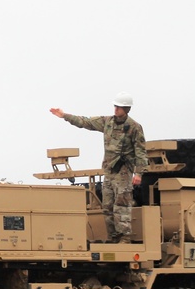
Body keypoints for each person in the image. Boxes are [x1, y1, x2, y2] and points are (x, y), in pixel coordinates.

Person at [50, 91, 148, 243]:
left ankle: (125, 238)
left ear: (127, 109)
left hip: (123, 172)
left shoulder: (134, 127)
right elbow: (85, 122)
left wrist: (139, 174)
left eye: (119, 107)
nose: (116, 110)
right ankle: (113, 237)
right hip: (109, 172)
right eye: (115, 106)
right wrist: (65, 116)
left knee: (121, 205)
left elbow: (141, 152)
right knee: (107, 206)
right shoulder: (107, 122)